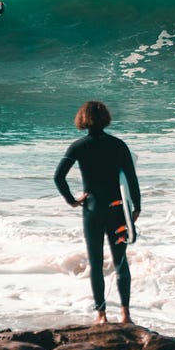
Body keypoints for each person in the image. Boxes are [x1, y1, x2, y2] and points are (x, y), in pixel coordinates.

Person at [53, 100, 141, 325]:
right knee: (120, 261)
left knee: (96, 262)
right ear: (105, 118)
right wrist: (136, 207)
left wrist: (72, 200)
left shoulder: (78, 146)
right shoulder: (119, 145)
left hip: (92, 209)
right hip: (117, 210)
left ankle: (101, 315)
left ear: (82, 119)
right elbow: (131, 179)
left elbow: (58, 177)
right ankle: (126, 315)